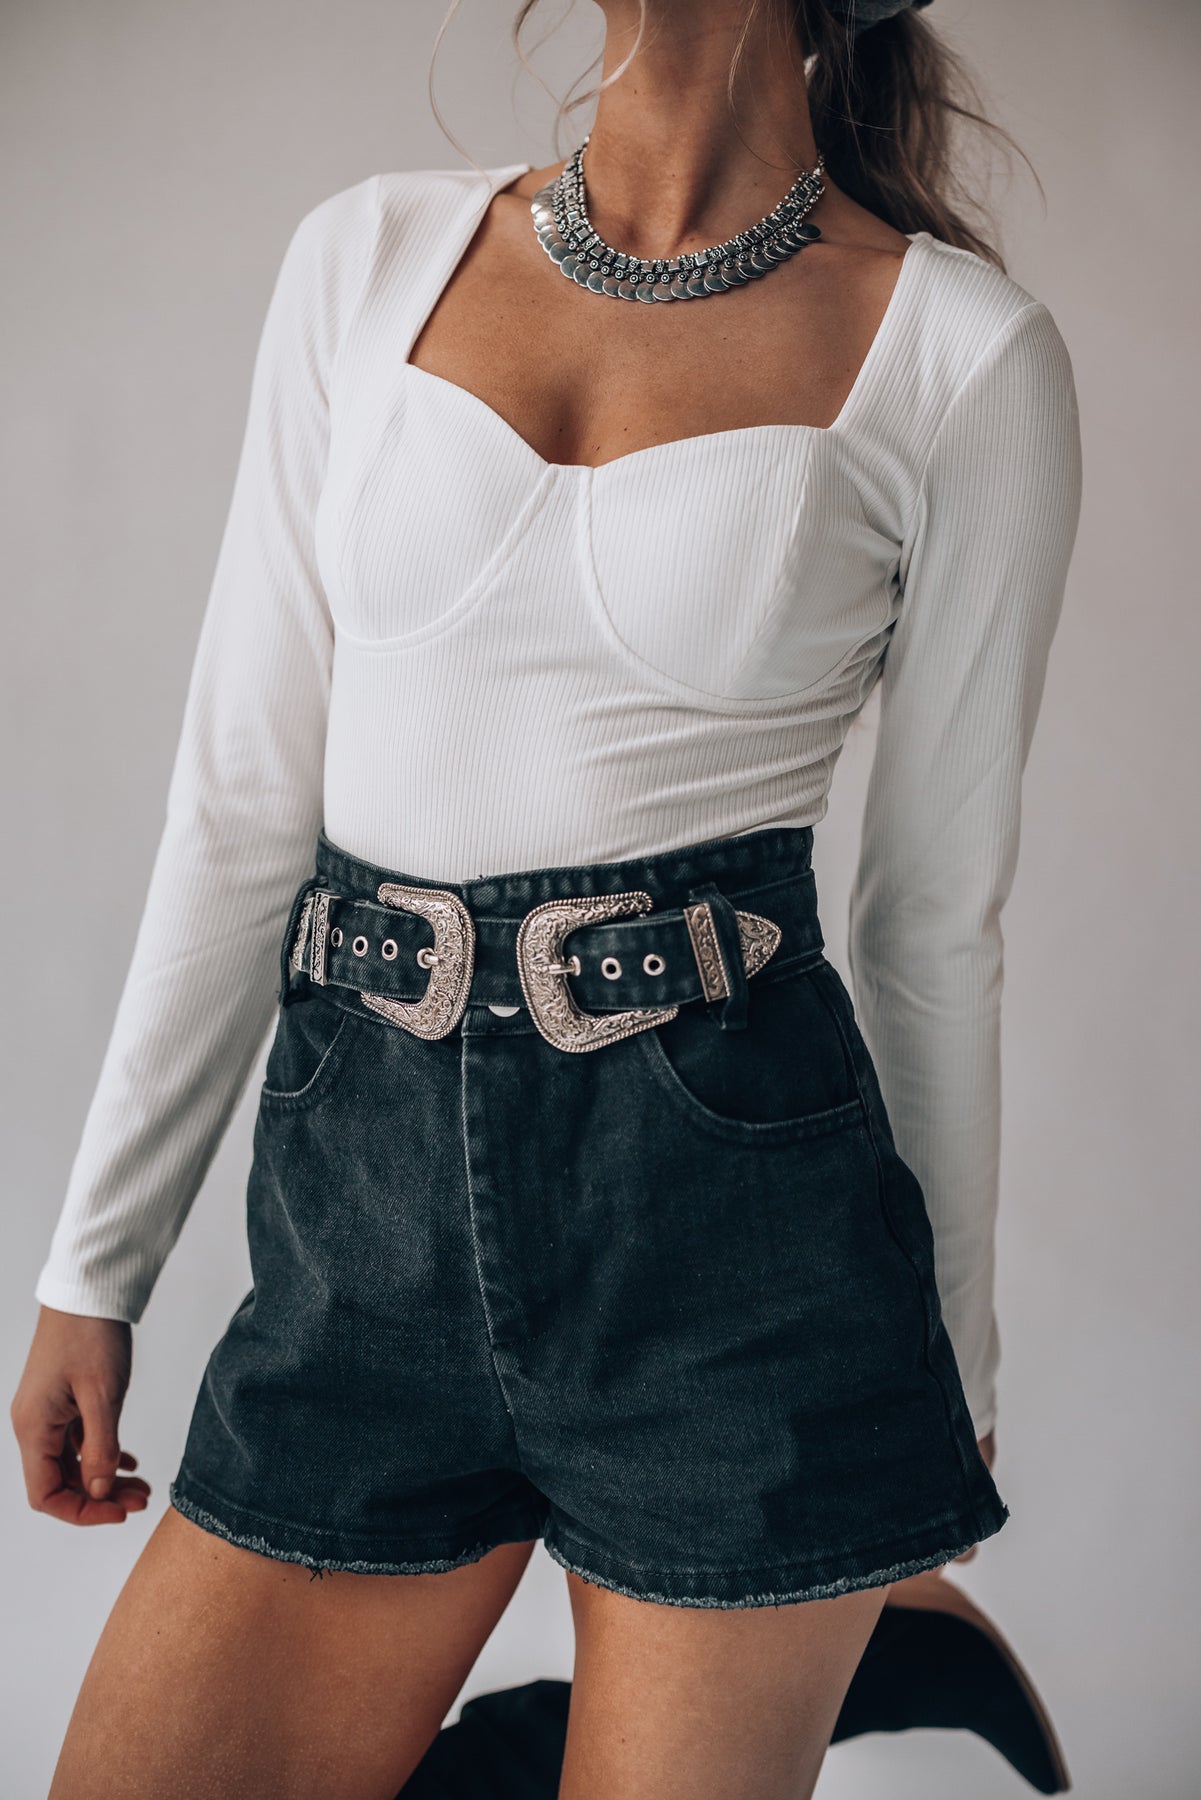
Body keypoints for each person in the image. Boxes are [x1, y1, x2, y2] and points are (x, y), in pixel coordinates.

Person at [11, 1, 1083, 1795]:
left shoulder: (959, 354)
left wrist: (938, 1369)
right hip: (358, 1232)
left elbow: (929, 926)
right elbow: (243, 795)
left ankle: (832, 1614)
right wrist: (92, 1265)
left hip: (737, 1252)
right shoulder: (368, 255)